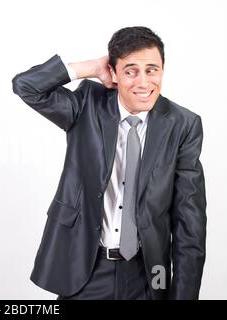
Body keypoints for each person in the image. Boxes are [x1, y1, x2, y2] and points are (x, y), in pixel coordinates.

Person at [11, 26, 206, 300]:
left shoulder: (183, 124)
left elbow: (190, 222)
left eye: (152, 70)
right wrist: (90, 67)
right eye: (130, 71)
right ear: (113, 73)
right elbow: (26, 86)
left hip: (149, 274)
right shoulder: (88, 104)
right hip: (86, 270)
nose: (143, 82)